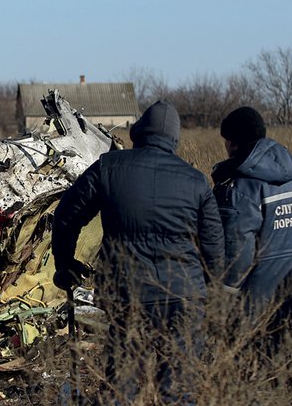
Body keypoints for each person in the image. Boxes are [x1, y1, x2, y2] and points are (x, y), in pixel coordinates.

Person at [52, 100, 224, 402]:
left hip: (129, 294)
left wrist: (65, 263)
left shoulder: (108, 167)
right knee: (178, 384)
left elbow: (67, 216)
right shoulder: (196, 181)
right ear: (174, 139)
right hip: (184, 296)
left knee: (124, 383)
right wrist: (209, 290)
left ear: (139, 131)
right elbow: (214, 246)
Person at [212, 107, 292, 320]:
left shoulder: (241, 186)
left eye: (226, 140)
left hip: (258, 300)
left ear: (233, 142)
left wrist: (225, 293)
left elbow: (238, 248)